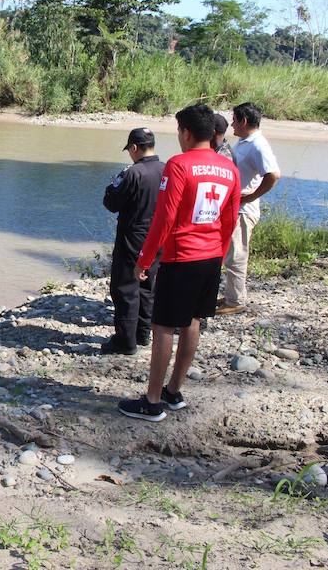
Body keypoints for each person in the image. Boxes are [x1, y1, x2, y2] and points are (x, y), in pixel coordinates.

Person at [118, 104, 240, 422]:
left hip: (180, 257)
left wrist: (144, 260)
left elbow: (164, 218)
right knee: (193, 322)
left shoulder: (179, 165)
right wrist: (219, 253)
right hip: (211, 257)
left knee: (162, 328)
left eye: (178, 131)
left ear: (185, 132)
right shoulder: (230, 168)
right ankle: (174, 391)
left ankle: (153, 401)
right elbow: (229, 219)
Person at [101, 128, 165, 355]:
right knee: (148, 284)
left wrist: (112, 186)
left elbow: (111, 203)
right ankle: (142, 333)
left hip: (133, 236)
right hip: (158, 235)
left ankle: (125, 342)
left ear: (135, 148)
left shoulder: (132, 173)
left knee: (125, 286)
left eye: (129, 149)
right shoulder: (167, 170)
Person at [217, 102, 281, 315]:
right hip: (234, 207)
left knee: (237, 254)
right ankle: (231, 295)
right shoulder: (245, 142)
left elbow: (273, 174)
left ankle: (235, 301)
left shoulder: (258, 144)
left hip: (244, 210)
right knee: (229, 252)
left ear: (244, 121)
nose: (232, 124)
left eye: (234, 120)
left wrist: (251, 196)